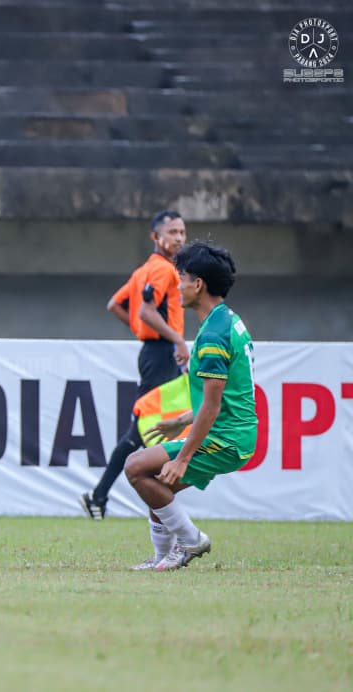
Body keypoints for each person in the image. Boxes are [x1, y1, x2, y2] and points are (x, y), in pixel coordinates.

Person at [124, 240, 257, 571]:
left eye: (181, 278)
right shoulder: (225, 321)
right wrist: (180, 420)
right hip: (228, 432)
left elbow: (212, 407)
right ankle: (163, 555)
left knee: (135, 467)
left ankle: (190, 540)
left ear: (198, 285)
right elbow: (219, 399)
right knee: (152, 478)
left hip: (226, 438)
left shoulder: (213, 335)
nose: (178, 286)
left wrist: (182, 459)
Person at [80, 210, 189, 520]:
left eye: (182, 232)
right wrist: (176, 340)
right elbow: (146, 312)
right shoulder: (163, 271)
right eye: (172, 232)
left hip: (154, 350)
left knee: (149, 427)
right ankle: (102, 496)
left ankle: (100, 496)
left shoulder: (143, 270)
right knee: (148, 427)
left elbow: (116, 304)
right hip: (161, 353)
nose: (179, 238)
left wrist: (148, 331)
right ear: (156, 237)